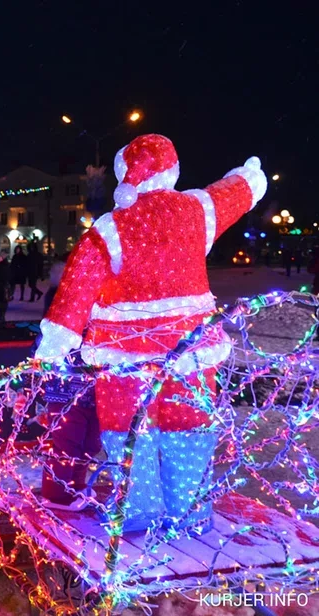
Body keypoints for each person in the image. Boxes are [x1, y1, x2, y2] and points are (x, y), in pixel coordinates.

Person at [35, 134, 266, 533]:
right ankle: (188, 511)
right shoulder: (198, 208)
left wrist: (57, 343)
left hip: (123, 352)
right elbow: (233, 194)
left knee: (128, 431)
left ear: (125, 175)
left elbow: (77, 287)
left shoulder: (111, 227)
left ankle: (139, 509)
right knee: (188, 426)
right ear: (172, 172)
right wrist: (250, 177)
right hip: (189, 350)